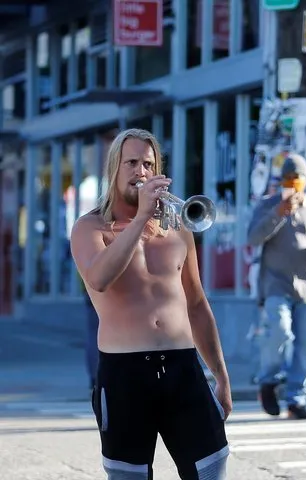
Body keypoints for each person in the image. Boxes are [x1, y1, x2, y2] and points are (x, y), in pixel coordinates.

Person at [70, 128, 231, 480]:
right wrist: (141, 217)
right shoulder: (90, 227)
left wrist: (220, 374)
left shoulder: (177, 228)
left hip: (183, 368)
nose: (140, 171)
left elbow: (197, 303)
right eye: (131, 162)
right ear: (115, 167)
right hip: (124, 374)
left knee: (210, 470)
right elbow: (98, 278)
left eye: (148, 163)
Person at [247, 153, 306, 420]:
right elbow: (252, 237)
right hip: (276, 284)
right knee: (281, 333)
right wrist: (278, 213)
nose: (293, 183)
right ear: (281, 181)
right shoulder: (268, 204)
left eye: (297, 179)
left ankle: (296, 398)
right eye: (288, 178)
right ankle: (268, 381)